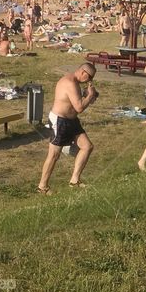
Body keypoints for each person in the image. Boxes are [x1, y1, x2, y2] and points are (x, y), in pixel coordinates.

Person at [37, 62, 99, 194]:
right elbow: (79, 107)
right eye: (89, 77)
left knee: (87, 146)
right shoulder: (70, 83)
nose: (89, 81)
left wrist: (89, 96)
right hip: (60, 121)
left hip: (72, 121)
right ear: (83, 72)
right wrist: (89, 96)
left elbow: (77, 103)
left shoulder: (76, 83)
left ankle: (74, 180)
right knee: (54, 155)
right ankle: (42, 187)